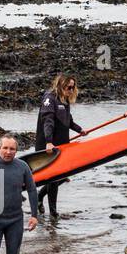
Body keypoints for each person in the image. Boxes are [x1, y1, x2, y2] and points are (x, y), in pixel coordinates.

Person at [35, 74, 86, 220]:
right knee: (54, 178)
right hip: (48, 144)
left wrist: (79, 130)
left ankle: (40, 196)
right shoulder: (49, 99)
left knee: (62, 177)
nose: (71, 90)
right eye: (68, 87)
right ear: (60, 85)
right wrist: (49, 141)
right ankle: (53, 211)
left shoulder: (64, 100)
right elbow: (48, 122)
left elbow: (67, 121)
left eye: (73, 87)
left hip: (62, 144)